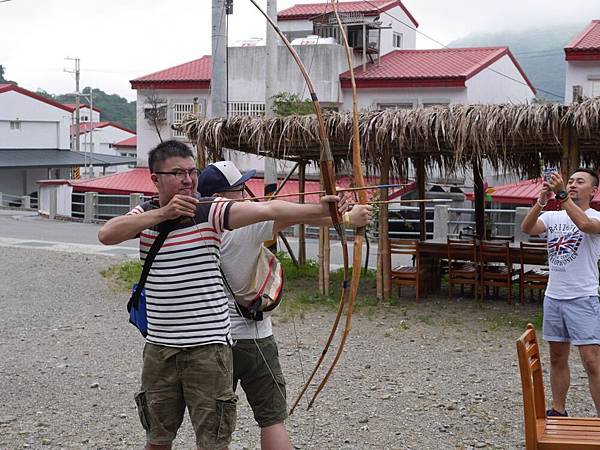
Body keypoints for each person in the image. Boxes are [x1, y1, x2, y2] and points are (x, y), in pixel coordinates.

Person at [97, 140, 349, 450]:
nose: (188, 180)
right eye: (178, 173)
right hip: (160, 348)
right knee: (157, 437)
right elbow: (107, 234)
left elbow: (266, 208)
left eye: (192, 172)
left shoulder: (210, 211)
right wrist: (163, 213)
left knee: (214, 441)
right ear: (155, 178)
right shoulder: (146, 213)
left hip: (207, 348)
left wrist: (319, 209)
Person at [197, 161, 373, 450]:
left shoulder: (194, 227)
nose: (247, 195)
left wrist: (343, 215)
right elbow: (289, 215)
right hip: (253, 339)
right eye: (242, 189)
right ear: (226, 196)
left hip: (211, 341)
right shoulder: (245, 226)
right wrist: (349, 217)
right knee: (271, 419)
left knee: (214, 426)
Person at [521, 167, 600, 417]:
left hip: (583, 297)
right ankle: (558, 409)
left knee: (592, 361)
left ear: (593, 190)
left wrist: (563, 195)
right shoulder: (553, 218)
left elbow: (585, 225)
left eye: (580, 182)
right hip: (554, 297)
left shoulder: (596, 216)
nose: (574, 184)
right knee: (556, 357)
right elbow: (527, 227)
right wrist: (542, 201)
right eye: (571, 180)